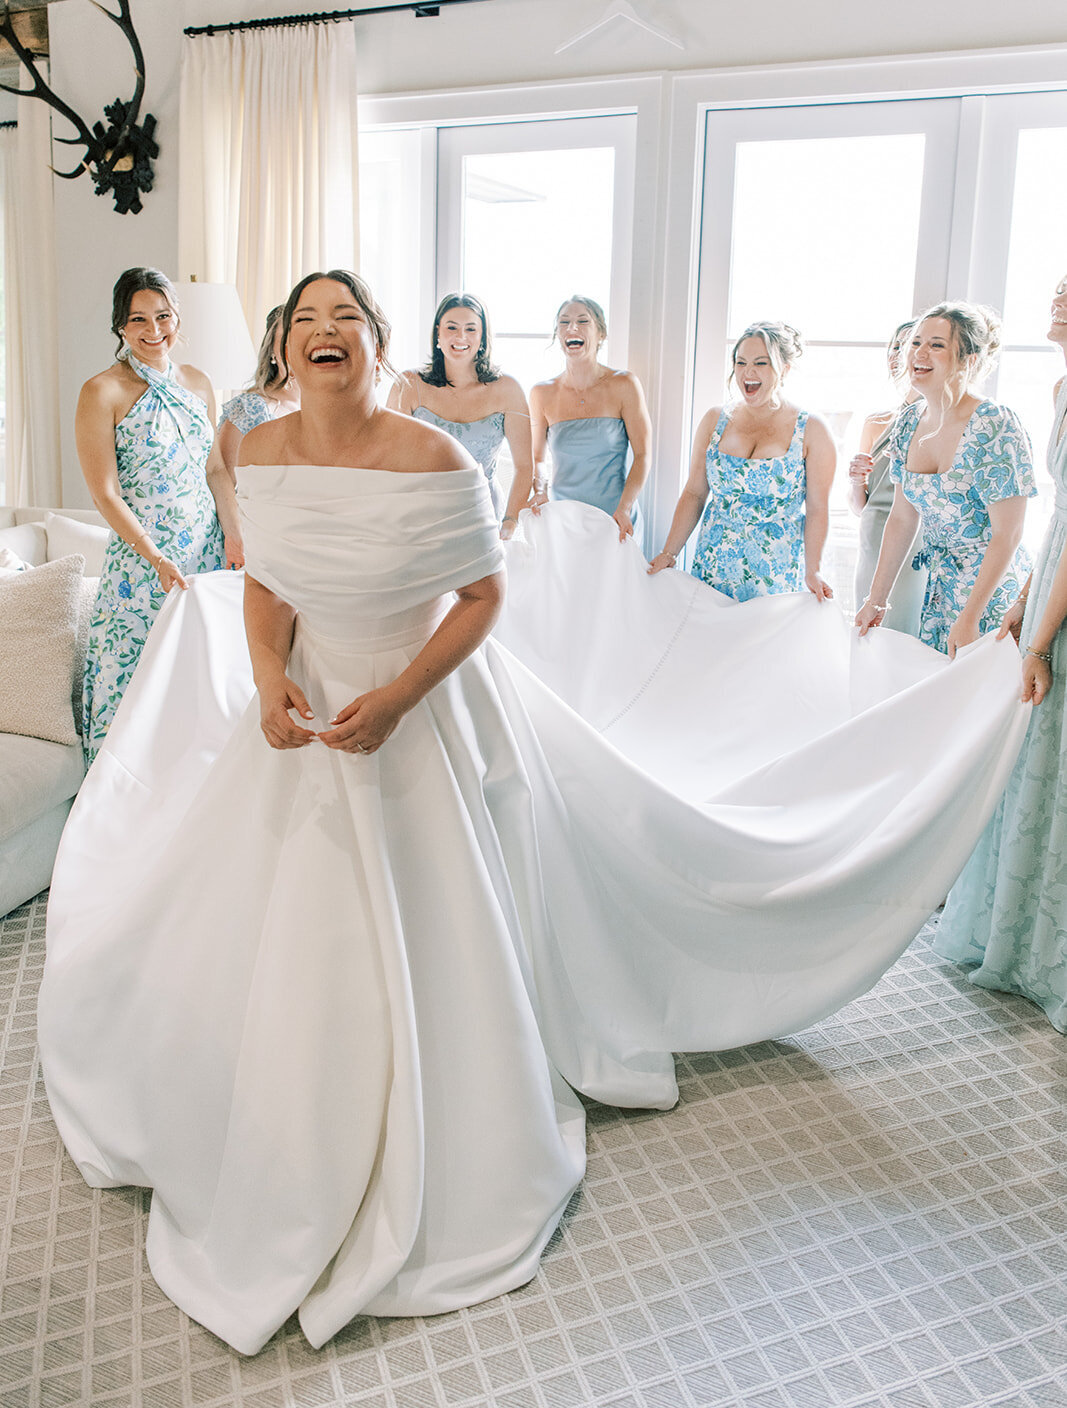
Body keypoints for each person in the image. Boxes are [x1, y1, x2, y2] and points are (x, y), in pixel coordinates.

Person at [40, 272, 1031, 1358]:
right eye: (304, 321)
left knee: (445, 920)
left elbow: (480, 596)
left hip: (415, 701)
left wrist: (403, 695)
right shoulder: (258, 450)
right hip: (300, 714)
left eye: (345, 320)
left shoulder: (429, 455)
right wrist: (269, 676)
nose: (324, 333)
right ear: (284, 348)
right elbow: (266, 581)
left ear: (377, 345)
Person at [935, 275, 1067, 1029]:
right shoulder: (1058, 386)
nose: (1057, 298)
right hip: (1048, 588)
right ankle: (1016, 943)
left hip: (1062, 610)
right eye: (1056, 288)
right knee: (1035, 773)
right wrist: (1020, 609)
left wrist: (1041, 640)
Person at [75, 266, 225, 761]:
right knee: (135, 693)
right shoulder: (102, 391)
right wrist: (154, 556)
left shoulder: (200, 383)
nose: (154, 330)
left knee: (199, 688)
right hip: (143, 566)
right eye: (138, 319)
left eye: (163, 316)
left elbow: (217, 471)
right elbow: (105, 494)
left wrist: (237, 538)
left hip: (206, 556)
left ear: (177, 317)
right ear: (120, 325)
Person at [856, 302, 1035, 656]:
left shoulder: (994, 425)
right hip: (938, 592)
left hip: (993, 597)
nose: (919, 354)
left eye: (936, 345)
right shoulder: (908, 422)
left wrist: (970, 616)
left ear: (968, 358)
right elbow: (902, 518)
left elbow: (1008, 533)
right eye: (916, 342)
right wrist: (876, 601)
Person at [648, 321, 836, 600]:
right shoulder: (715, 420)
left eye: (761, 363)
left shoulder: (811, 429)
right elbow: (694, 493)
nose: (748, 372)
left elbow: (818, 509)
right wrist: (669, 552)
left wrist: (814, 570)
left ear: (783, 369)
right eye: (740, 362)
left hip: (775, 574)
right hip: (713, 566)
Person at [387, 292, 532, 539]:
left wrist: (510, 522)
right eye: (451, 327)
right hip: (421, 519)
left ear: (483, 336)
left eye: (471, 329)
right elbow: (390, 460)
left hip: (483, 518)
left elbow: (524, 466)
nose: (460, 337)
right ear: (438, 334)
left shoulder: (508, 389)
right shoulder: (409, 385)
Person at [529, 295, 651, 545]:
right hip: (565, 522)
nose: (572, 328)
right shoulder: (542, 393)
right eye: (564, 322)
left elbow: (643, 455)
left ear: (601, 334)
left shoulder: (625, 385)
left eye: (582, 321)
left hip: (617, 520)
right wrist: (540, 492)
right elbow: (538, 459)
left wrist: (625, 508)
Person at [206, 305, 299, 569]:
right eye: (287, 342)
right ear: (272, 351)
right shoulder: (249, 408)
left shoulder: (329, 412)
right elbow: (222, 482)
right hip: (257, 547)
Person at [848, 320, 926, 634]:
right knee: (867, 630)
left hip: (914, 536)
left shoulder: (934, 420)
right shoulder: (875, 422)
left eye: (908, 346)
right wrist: (855, 480)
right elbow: (859, 506)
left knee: (903, 627)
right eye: (896, 346)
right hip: (871, 537)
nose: (900, 354)